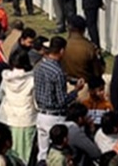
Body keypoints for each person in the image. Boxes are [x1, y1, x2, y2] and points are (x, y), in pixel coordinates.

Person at [33, 37, 86, 165]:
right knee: (58, 154)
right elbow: (62, 100)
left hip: (41, 114)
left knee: (43, 154)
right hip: (55, 117)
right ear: (62, 51)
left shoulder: (39, 66)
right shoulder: (58, 72)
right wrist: (76, 90)